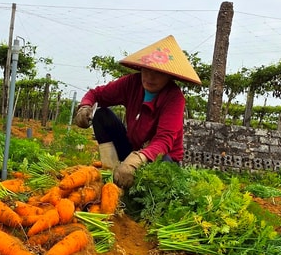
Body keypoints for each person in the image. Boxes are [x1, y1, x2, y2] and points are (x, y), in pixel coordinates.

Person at [72, 35, 202, 188]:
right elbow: (97, 94)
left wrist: (139, 159)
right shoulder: (132, 83)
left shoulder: (174, 97)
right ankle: (112, 172)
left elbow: (164, 140)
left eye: (158, 73)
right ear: (141, 68)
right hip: (133, 148)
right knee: (101, 115)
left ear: (169, 75)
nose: (149, 77)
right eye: (146, 70)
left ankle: (131, 178)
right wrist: (85, 106)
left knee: (160, 172)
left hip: (161, 156)